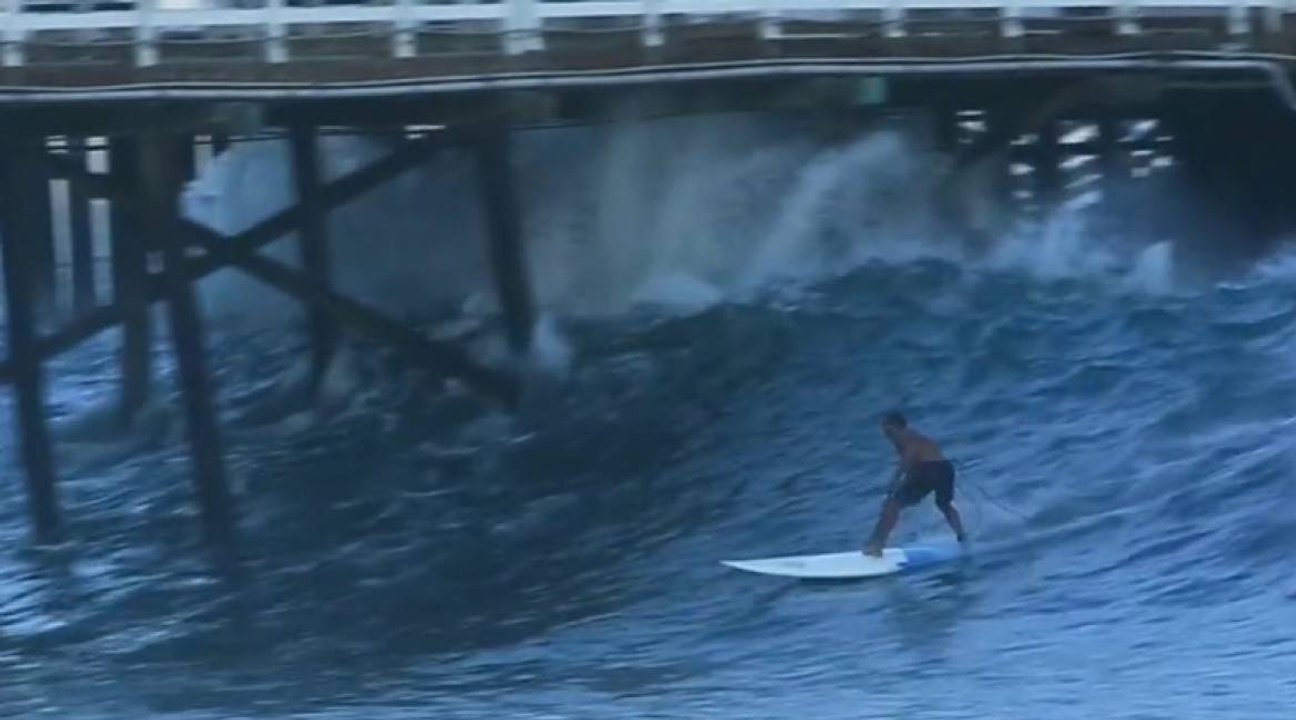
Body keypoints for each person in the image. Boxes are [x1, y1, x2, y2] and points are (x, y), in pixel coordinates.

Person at [863, 410, 966, 557]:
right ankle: (962, 536)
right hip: (944, 468)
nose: (883, 430)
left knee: (892, 505)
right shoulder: (910, 435)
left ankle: (876, 546)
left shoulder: (904, 436)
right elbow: (916, 459)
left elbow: (909, 458)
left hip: (929, 470)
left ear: (895, 426)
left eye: (886, 426)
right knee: (944, 504)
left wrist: (894, 482)